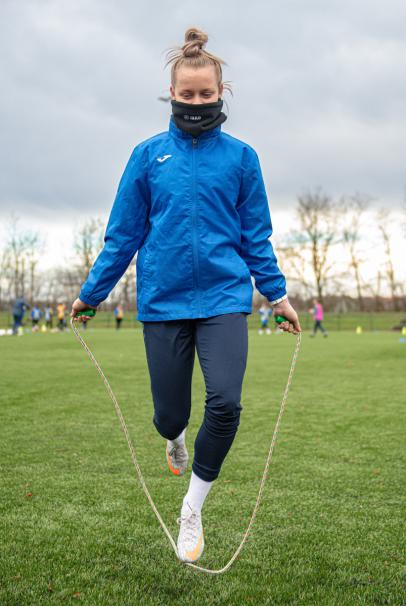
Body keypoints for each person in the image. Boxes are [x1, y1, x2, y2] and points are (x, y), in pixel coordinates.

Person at [70, 27, 301, 564]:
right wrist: (91, 294)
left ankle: (192, 506)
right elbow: (123, 235)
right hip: (163, 302)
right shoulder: (147, 156)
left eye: (206, 93)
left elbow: (256, 237)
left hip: (224, 299)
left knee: (226, 403)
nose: (197, 102)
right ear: (171, 94)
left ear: (221, 94)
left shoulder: (242, 158)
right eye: (187, 93)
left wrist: (277, 295)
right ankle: (173, 437)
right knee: (170, 415)